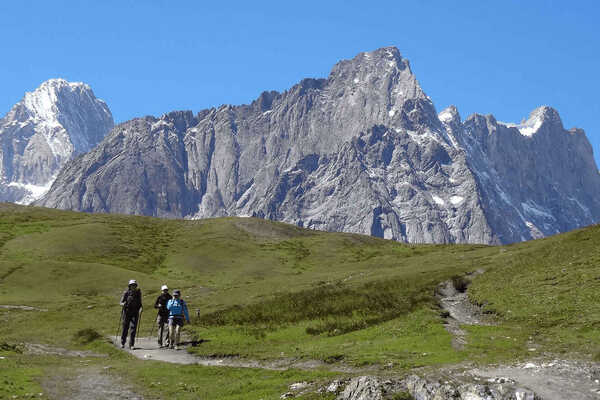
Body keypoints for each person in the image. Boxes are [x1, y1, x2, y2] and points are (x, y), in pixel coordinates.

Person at [119, 279, 143, 349]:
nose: (133, 287)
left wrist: (141, 309)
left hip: (135, 313)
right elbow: (120, 302)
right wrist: (123, 304)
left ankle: (131, 345)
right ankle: (122, 343)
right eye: (132, 285)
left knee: (133, 329)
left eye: (134, 285)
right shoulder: (126, 293)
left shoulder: (138, 293)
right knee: (125, 328)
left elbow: (140, 303)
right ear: (130, 286)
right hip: (126, 312)